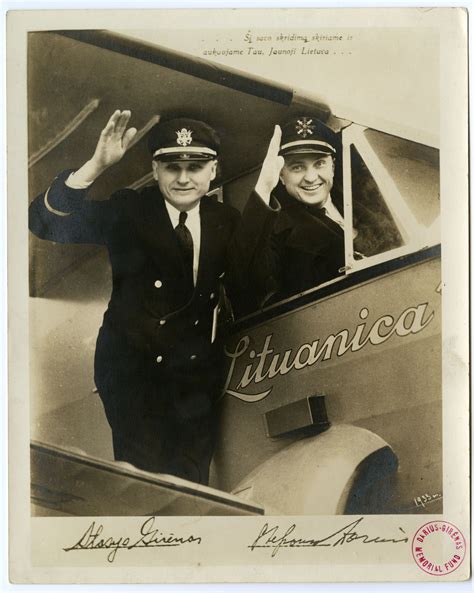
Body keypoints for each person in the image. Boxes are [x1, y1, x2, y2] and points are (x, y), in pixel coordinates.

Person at [29, 110, 241, 485]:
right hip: (133, 371)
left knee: (192, 486)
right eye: (172, 167)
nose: (183, 178)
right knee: (146, 483)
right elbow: (45, 223)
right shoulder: (129, 211)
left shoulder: (225, 220)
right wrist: (96, 166)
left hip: (192, 375)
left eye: (195, 167)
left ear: (213, 170)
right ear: (155, 170)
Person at [237, 116, 400, 311]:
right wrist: (264, 188)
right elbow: (244, 276)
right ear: (281, 175)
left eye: (319, 163)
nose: (311, 177)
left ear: (333, 166)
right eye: (297, 167)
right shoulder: (277, 231)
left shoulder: (360, 202)